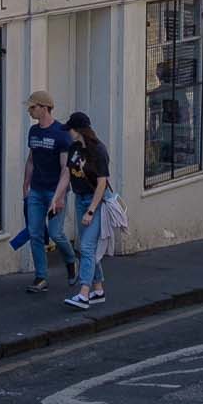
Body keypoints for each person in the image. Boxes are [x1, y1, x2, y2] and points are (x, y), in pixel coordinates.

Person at [19, 91, 77, 294]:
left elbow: (65, 168)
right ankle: (41, 277)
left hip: (54, 191)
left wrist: (59, 196)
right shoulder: (33, 132)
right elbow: (31, 160)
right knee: (35, 233)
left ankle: (71, 260)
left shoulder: (60, 133)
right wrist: (26, 184)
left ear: (44, 108)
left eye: (33, 107)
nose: (30, 110)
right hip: (36, 190)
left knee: (55, 233)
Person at [62, 111, 114, 310]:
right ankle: (98, 290)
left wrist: (91, 210)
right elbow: (67, 175)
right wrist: (57, 197)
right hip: (80, 199)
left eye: (70, 129)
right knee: (87, 247)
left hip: (96, 202)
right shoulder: (74, 148)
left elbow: (102, 183)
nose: (68, 132)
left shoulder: (98, 150)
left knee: (86, 247)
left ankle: (84, 293)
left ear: (78, 130)